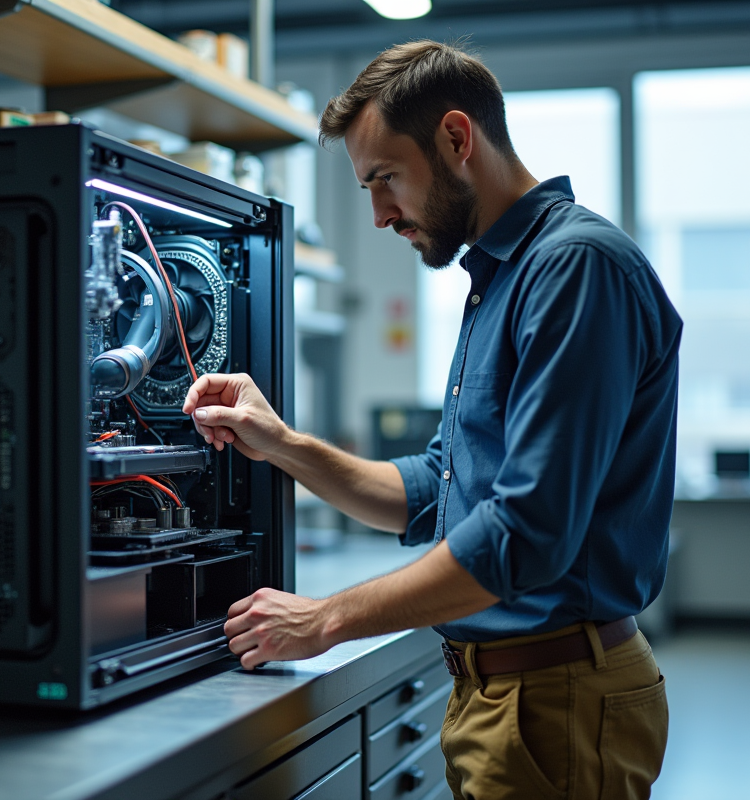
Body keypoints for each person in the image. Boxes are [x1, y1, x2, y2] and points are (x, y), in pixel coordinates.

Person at [182, 40, 681, 800]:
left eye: (385, 180)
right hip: (504, 694)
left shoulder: (576, 270)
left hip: (557, 699)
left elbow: (527, 533)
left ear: (456, 138)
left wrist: (325, 619)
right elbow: (430, 490)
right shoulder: (501, 278)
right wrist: (281, 445)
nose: (379, 214)